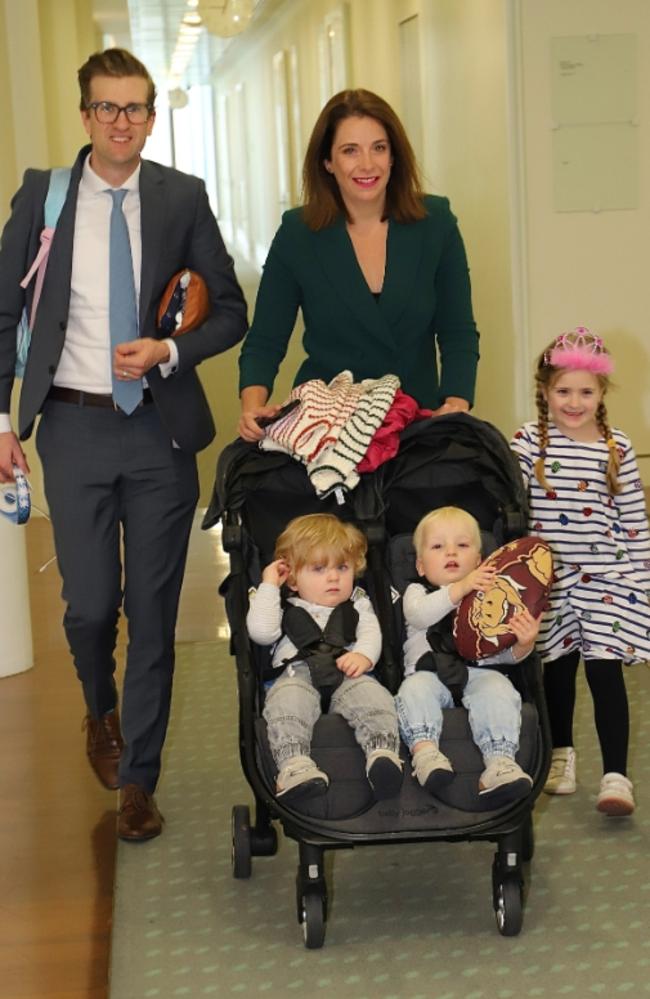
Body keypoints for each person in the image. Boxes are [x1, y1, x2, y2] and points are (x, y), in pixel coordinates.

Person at [0, 48, 247, 841]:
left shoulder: (181, 197)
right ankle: (98, 711)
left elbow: (231, 310)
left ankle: (139, 778)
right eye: (107, 108)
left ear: (151, 115)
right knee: (90, 605)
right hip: (70, 427)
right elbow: (4, 314)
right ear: (84, 116)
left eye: (137, 108)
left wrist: (168, 351)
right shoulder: (45, 196)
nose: (122, 122)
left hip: (157, 430)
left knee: (151, 607)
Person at [238, 88, 479, 442]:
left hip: (415, 424)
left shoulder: (435, 223)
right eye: (350, 151)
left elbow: (457, 331)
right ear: (328, 162)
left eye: (379, 148)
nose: (367, 164)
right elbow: (264, 340)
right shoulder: (298, 233)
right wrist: (253, 405)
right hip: (323, 429)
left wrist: (456, 403)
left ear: (394, 156)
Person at [511, 327, 650, 817]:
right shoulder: (529, 442)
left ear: (601, 394)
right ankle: (561, 755)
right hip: (549, 581)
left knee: (606, 671)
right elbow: (512, 509)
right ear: (545, 392)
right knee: (557, 670)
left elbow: (634, 519)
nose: (574, 402)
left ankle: (616, 776)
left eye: (586, 392)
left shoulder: (617, 446)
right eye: (563, 391)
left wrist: (643, 579)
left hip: (608, 578)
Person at [246, 513, 403, 804]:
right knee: (286, 704)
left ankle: (382, 753)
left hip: (349, 670)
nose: (333, 577)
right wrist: (269, 585)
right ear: (291, 578)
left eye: (342, 567)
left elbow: (371, 631)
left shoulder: (358, 602)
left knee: (375, 698)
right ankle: (294, 766)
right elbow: (261, 633)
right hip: (296, 673)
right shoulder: (282, 605)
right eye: (319, 569)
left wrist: (364, 656)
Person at [395, 507, 539, 807]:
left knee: (499, 689)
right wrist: (461, 588)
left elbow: (500, 654)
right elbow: (420, 616)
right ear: (421, 566)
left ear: (479, 561)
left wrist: (523, 644)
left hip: (478, 672)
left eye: (462, 545)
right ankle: (425, 752)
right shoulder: (416, 592)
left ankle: (499, 762)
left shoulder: (492, 597)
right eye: (438, 547)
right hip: (428, 672)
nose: (451, 552)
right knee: (413, 691)